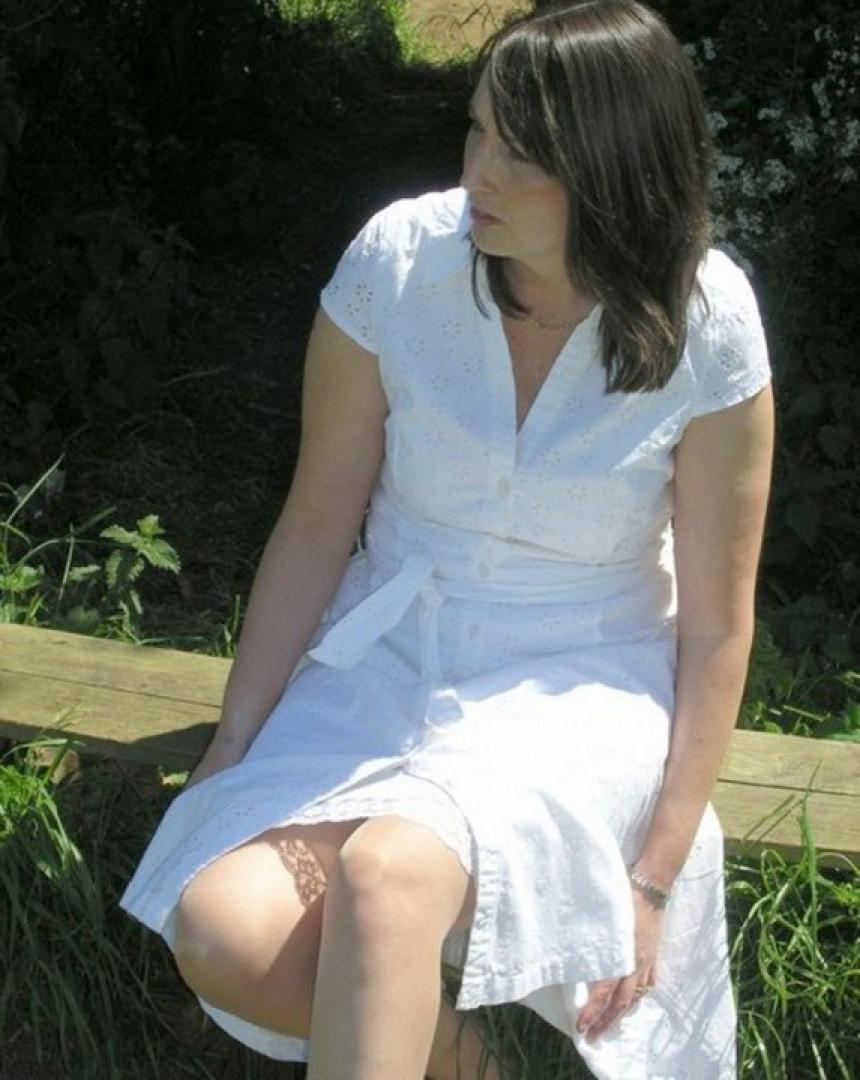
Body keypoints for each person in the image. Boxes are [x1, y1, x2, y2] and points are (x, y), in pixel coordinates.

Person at [120, 1, 775, 1077]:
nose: (478, 173)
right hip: (388, 654)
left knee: (387, 872)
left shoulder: (708, 317)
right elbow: (318, 518)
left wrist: (654, 874)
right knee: (226, 933)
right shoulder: (399, 260)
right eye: (475, 130)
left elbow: (715, 625)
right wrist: (233, 744)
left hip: (581, 680)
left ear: (615, 169)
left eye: (522, 154)